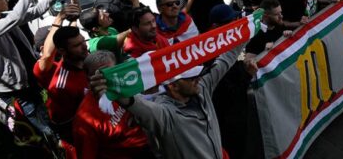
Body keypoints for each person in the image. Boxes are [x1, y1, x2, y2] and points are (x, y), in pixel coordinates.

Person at [88, 9, 252, 159]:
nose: (198, 78)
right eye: (191, 77)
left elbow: (226, 58)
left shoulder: (202, 88)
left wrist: (251, 26)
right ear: (172, 86)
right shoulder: (164, 115)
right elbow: (134, 104)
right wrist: (112, 87)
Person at [0, 0, 71, 144]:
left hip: (28, 81)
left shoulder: (3, 16)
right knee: (38, 132)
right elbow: (15, 17)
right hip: (13, 92)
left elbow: (34, 11)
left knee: (45, 120)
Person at [72, 50, 155, 159]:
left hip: (151, 146)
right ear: (88, 78)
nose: (106, 78)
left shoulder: (127, 86)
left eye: (111, 72)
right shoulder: (86, 119)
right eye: (101, 74)